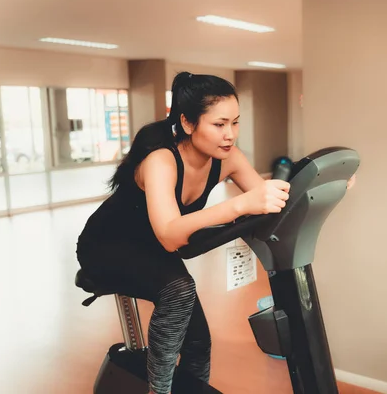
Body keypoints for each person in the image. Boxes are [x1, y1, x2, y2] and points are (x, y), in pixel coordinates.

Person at [76, 72, 356, 394]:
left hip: (154, 249)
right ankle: (159, 391)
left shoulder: (229, 159)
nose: (230, 135)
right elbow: (169, 234)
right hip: (107, 245)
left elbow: (273, 198)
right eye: (219, 124)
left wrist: (324, 182)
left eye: (235, 123)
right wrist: (238, 206)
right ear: (188, 123)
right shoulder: (161, 161)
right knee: (180, 290)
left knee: (198, 341)